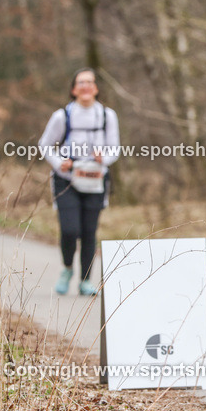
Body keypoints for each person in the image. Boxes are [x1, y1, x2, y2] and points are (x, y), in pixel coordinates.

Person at [38, 68, 120, 296]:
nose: (85, 86)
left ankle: (85, 281)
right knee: (70, 229)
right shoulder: (62, 116)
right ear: (74, 89)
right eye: (81, 82)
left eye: (90, 82)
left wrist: (105, 158)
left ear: (96, 88)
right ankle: (67, 269)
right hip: (67, 180)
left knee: (88, 231)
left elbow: (115, 148)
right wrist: (58, 163)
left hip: (95, 179)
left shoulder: (107, 115)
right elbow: (44, 145)